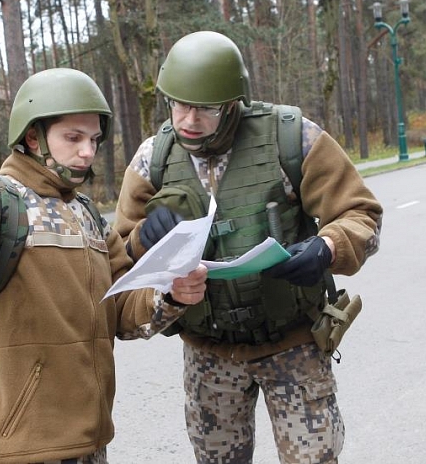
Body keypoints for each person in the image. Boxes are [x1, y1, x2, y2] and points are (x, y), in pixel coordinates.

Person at [0, 68, 207, 464]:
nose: (87, 152)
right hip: (19, 447)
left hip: (89, 439)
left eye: (93, 140)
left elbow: (122, 307)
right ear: (33, 137)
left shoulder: (86, 213)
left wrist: (170, 295)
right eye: (73, 137)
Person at [113, 31, 383, 464]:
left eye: (204, 109)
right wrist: (144, 236)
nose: (188, 119)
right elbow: (119, 254)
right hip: (208, 353)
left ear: (233, 101)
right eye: (178, 104)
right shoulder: (154, 158)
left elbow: (362, 214)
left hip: (292, 345)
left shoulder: (290, 137)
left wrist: (327, 248)